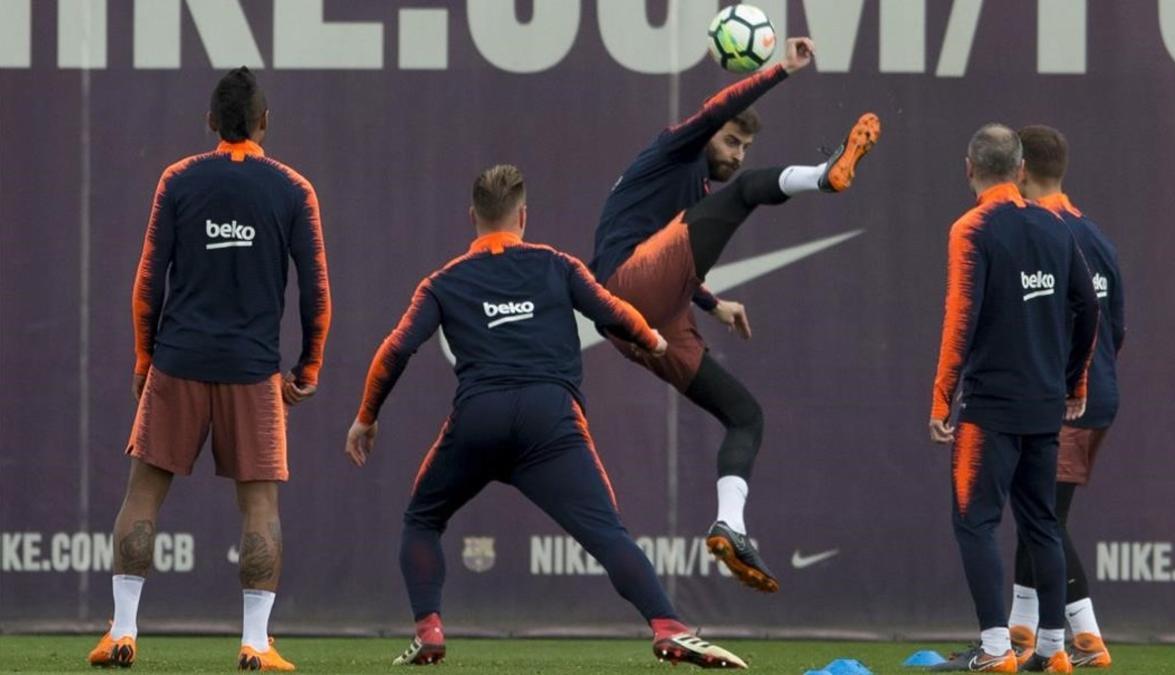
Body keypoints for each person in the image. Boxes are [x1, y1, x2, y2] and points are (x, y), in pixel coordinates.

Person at [345, 165, 747, 669]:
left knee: (422, 520)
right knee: (607, 533)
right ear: (523, 216)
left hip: (479, 420)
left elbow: (395, 350)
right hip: (549, 423)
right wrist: (653, 340)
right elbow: (613, 311)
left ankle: (430, 630)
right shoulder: (557, 265)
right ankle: (669, 627)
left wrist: (367, 416)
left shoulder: (442, 282)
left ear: (473, 217)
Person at [589, 37, 881, 592]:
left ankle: (731, 525)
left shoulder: (693, 189)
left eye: (745, 145)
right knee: (748, 190)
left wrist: (711, 303)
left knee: (745, 415)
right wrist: (782, 70)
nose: (737, 153)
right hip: (627, 285)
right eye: (732, 141)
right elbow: (713, 114)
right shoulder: (675, 149)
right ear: (708, 136)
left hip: (644, 316)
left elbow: (672, 258)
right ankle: (827, 175)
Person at [87, 66, 331, 672]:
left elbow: (147, 282)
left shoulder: (178, 180)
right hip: (252, 370)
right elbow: (317, 293)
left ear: (211, 123)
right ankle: (254, 642)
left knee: (143, 494)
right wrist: (308, 368)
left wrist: (145, 360)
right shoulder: (294, 189)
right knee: (259, 508)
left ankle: (122, 631)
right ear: (265, 122)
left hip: (179, 361)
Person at [927, 124, 1097, 673]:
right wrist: (1075, 383)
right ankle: (1053, 650)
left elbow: (960, 318)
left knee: (975, 521)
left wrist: (941, 399)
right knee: (1041, 522)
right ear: (1020, 169)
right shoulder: (1053, 225)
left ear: (967, 166)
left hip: (990, 406)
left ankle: (997, 649)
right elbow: (1087, 308)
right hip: (1044, 403)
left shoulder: (971, 228)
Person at [1007, 125, 1123, 669]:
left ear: (1020, 170)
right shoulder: (1095, 235)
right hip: (1095, 393)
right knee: (1040, 510)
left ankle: (1085, 638)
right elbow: (1115, 326)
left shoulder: (1038, 232)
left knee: (1043, 517)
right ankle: (1020, 632)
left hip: (1062, 397)